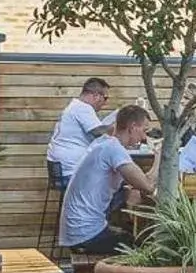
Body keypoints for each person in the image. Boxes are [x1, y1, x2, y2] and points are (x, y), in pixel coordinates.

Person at [59, 104, 155, 257]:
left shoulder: (102, 143)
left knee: (129, 235)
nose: (144, 137)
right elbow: (148, 186)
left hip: (77, 231)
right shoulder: (113, 149)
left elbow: (139, 184)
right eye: (144, 131)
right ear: (133, 127)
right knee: (145, 249)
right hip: (86, 234)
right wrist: (161, 155)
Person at [45, 77, 112, 183]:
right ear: (95, 96)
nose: (105, 103)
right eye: (105, 98)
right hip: (72, 172)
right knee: (115, 181)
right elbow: (99, 132)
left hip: (63, 169)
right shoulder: (83, 108)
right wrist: (121, 125)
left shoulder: (75, 106)